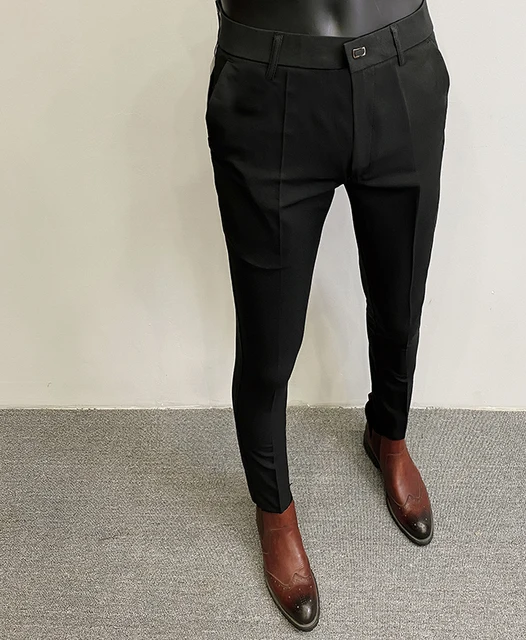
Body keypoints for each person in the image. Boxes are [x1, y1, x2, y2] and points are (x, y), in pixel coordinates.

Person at [205, 0, 450, 630]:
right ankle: (274, 510)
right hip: (269, 79)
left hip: (401, 63)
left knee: (400, 303)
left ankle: (388, 436)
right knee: (269, 345)